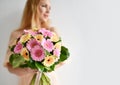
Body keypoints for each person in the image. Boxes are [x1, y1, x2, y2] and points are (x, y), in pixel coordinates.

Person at [4, 0, 65, 85]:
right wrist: (27, 70)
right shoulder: (17, 34)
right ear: (33, 7)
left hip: (49, 81)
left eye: (49, 8)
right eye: (44, 6)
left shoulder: (52, 32)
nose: (48, 11)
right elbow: (10, 66)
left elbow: (62, 60)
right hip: (27, 82)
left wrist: (45, 67)